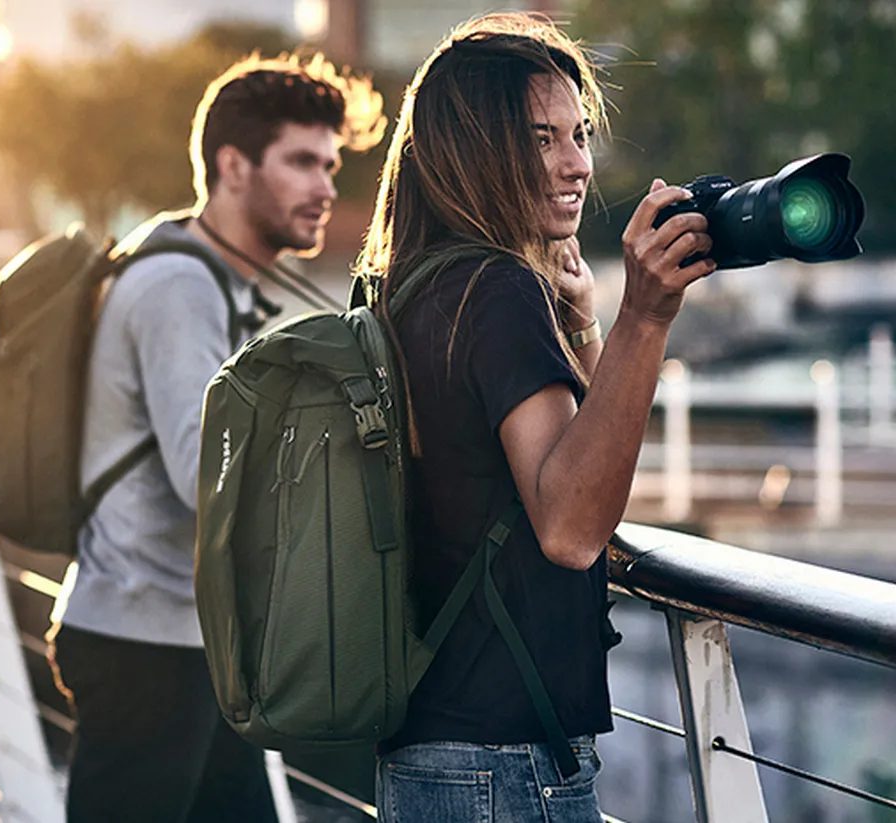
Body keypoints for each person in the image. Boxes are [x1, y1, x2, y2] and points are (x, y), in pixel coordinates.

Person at [355, 13, 715, 823]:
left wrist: (586, 322)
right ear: (474, 149)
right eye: (541, 137)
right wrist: (645, 320)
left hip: (434, 750)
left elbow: (583, 455)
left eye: (580, 134)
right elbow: (573, 524)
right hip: (503, 763)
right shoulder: (495, 291)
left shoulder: (412, 283)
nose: (577, 163)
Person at [46, 52, 384, 823]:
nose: (327, 186)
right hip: (147, 646)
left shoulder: (210, 276)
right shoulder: (180, 286)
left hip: (186, 640)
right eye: (302, 162)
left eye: (331, 164)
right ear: (232, 165)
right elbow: (206, 475)